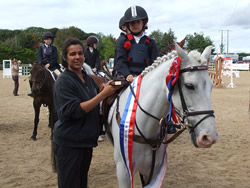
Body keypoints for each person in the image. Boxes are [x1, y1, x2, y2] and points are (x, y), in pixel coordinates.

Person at [53, 38, 120, 188]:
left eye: (80, 53)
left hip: (84, 143)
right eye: (72, 54)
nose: (77, 57)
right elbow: (74, 110)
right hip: (69, 144)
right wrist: (102, 95)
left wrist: (103, 89)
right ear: (65, 57)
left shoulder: (87, 79)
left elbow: (94, 98)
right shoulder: (64, 81)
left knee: (82, 183)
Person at [114, 5, 159, 82]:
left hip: (147, 78)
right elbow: (120, 61)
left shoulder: (151, 42)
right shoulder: (123, 41)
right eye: (132, 23)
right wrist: (127, 74)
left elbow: (155, 61)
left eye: (138, 22)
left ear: (143, 23)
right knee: (111, 90)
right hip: (127, 78)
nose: (135, 25)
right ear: (128, 25)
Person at [28, 31, 60, 96]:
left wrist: (49, 64)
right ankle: (32, 91)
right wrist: (42, 64)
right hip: (42, 66)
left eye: (50, 39)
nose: (49, 41)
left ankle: (60, 91)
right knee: (31, 77)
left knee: (60, 76)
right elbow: (39, 57)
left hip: (52, 66)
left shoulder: (54, 48)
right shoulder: (41, 48)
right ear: (44, 40)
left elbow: (55, 58)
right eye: (47, 39)